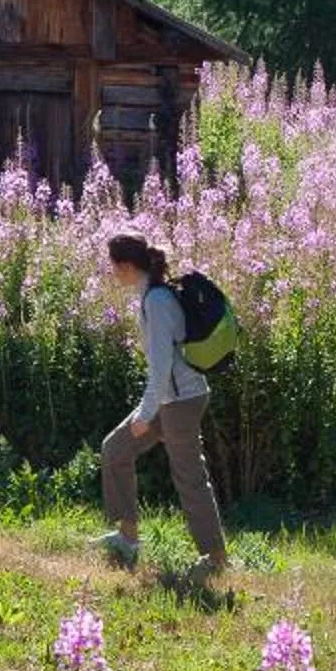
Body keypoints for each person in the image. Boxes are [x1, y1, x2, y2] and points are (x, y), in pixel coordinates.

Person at [95, 234, 230, 578]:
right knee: (115, 450)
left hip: (180, 401)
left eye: (113, 266)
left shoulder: (156, 300)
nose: (111, 272)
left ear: (125, 266)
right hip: (173, 398)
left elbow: (162, 365)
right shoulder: (153, 294)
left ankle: (215, 558)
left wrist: (145, 414)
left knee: (189, 476)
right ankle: (128, 537)